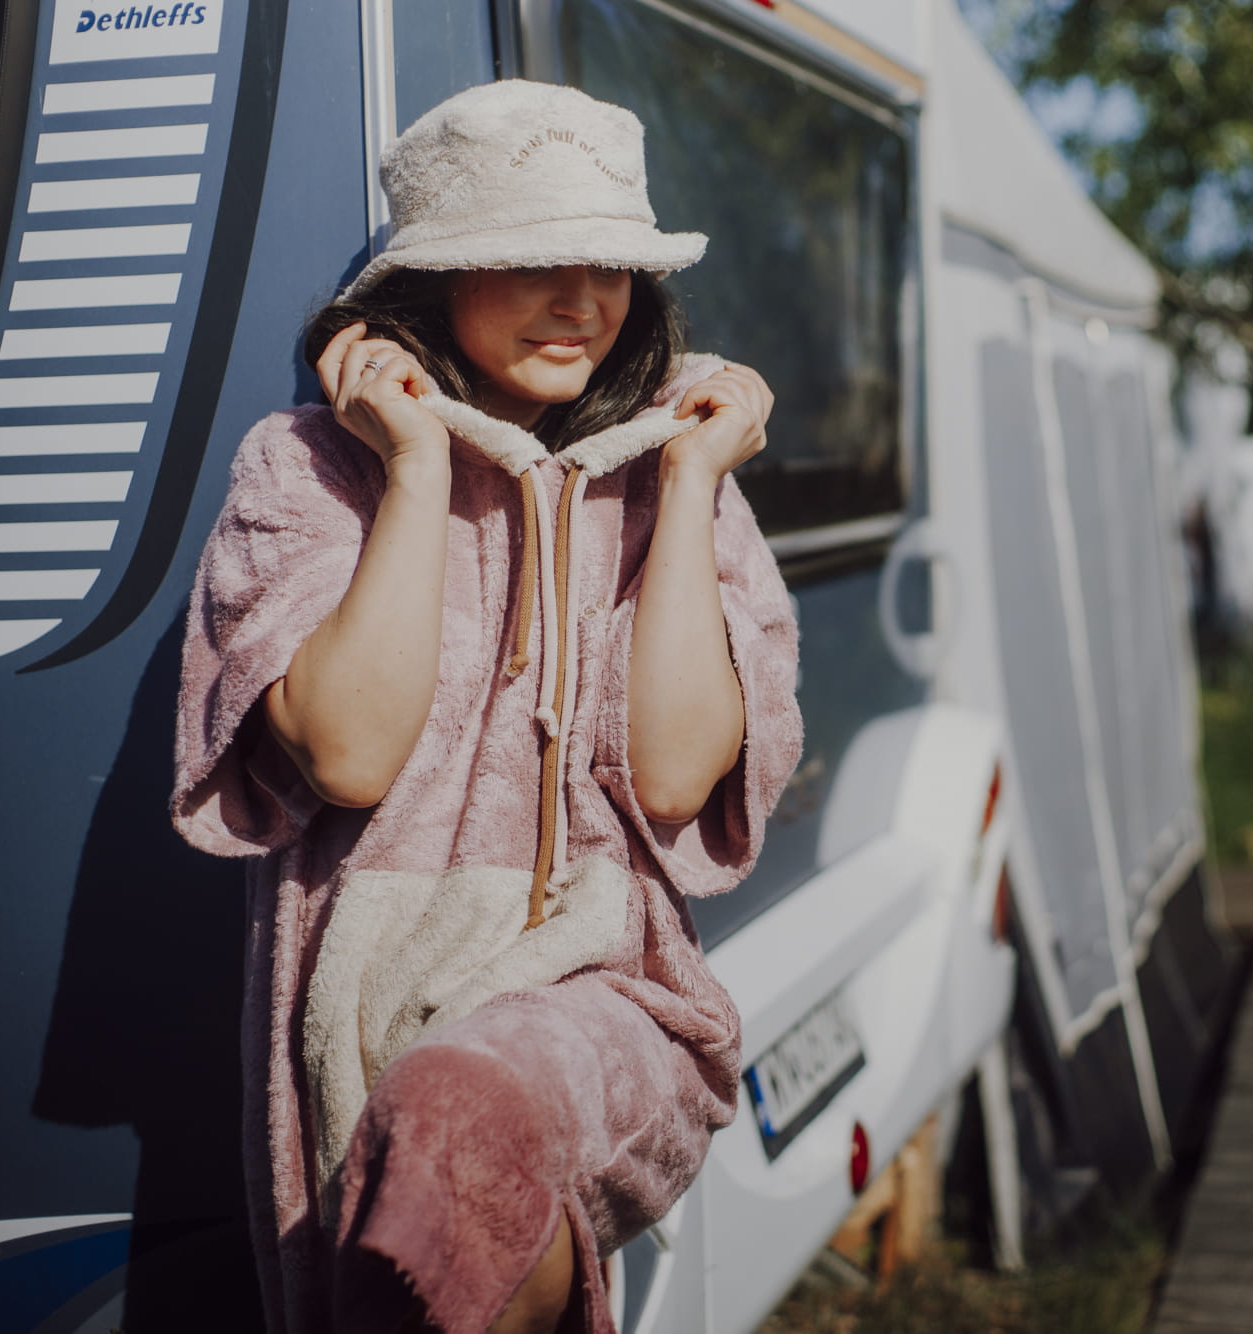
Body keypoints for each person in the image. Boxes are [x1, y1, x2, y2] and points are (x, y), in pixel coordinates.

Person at [170, 80, 803, 1334]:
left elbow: (674, 776)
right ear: (433, 281)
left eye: (610, 265)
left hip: (607, 989)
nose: (582, 300)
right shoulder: (302, 468)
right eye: (531, 260)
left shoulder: (677, 481)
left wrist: (686, 483)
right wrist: (414, 469)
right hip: (360, 1003)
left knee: (462, 1115)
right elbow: (346, 753)